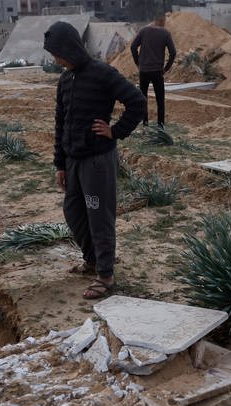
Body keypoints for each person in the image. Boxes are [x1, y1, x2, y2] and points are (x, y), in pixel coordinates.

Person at [44, 21, 146, 300]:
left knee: (99, 217)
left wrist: (115, 131)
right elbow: (60, 123)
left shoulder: (102, 74)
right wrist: (60, 164)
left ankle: (105, 275)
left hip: (97, 161)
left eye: (57, 53)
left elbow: (137, 102)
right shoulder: (65, 81)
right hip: (74, 161)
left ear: (69, 48)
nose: (56, 59)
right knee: (74, 213)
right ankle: (92, 260)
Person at [129, 14, 177, 128]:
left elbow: (133, 47)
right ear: (163, 20)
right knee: (160, 100)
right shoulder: (165, 34)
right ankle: (160, 127)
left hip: (144, 71)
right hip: (157, 71)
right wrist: (166, 68)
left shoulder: (144, 31)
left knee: (143, 98)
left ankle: (145, 125)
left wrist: (138, 63)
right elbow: (173, 53)